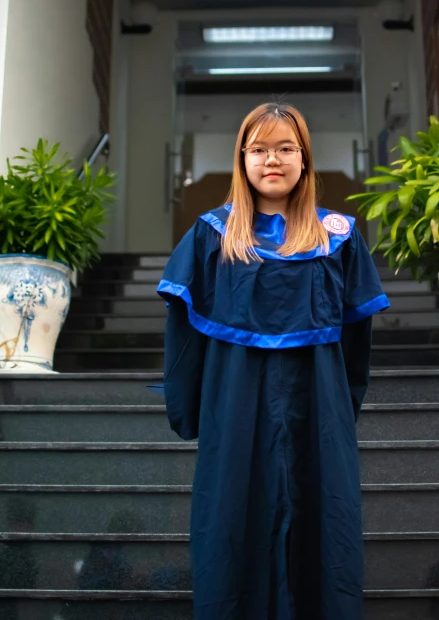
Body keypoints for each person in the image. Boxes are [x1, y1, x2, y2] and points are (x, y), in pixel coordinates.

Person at [148, 102, 390, 620]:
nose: (272, 159)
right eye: (259, 149)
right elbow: (183, 338)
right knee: (234, 520)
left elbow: (356, 345)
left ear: (305, 159)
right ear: (242, 158)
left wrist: (340, 414)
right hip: (234, 404)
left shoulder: (339, 237)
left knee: (322, 525)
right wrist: (188, 411)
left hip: (318, 405)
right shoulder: (213, 236)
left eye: (285, 148)